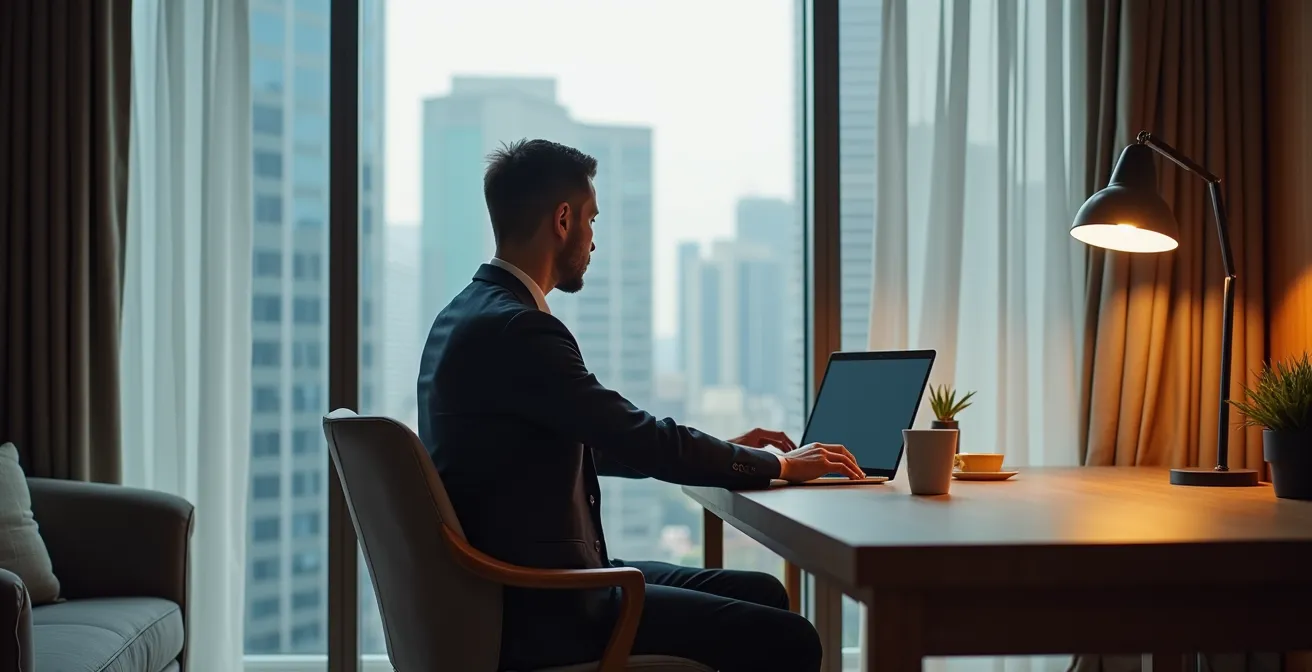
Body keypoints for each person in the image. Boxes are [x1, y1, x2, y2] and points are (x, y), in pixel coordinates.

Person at [417, 138, 863, 672]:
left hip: (518, 589)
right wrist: (782, 465)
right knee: (789, 639)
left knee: (762, 591)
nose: (593, 241)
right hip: (550, 608)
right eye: (592, 220)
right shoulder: (520, 329)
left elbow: (592, 442)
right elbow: (637, 436)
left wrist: (726, 451)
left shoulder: (463, 315)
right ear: (563, 219)